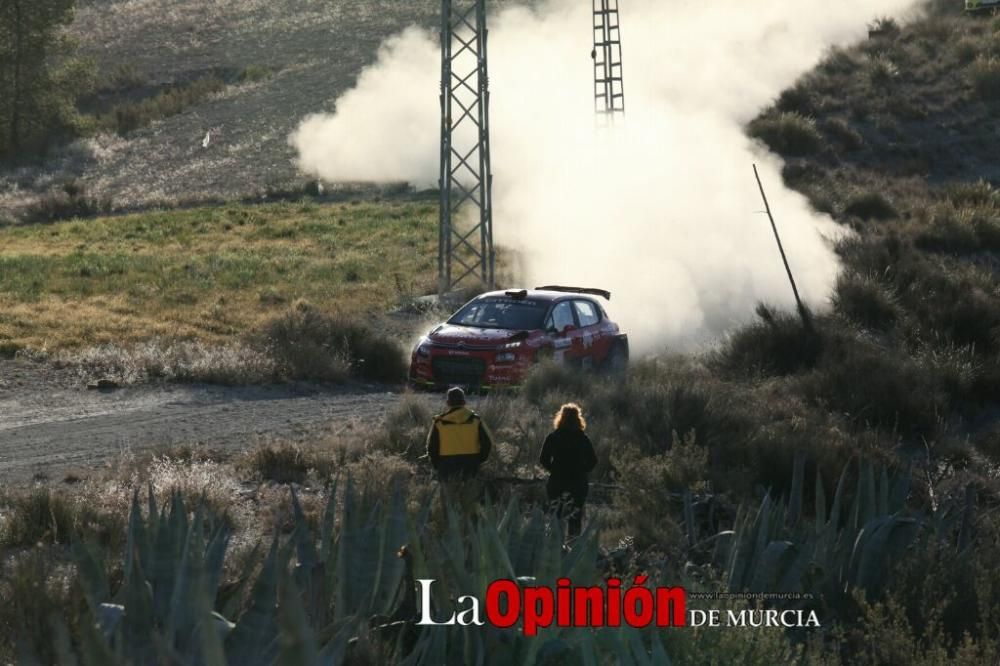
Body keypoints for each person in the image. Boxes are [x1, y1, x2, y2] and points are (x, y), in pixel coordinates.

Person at [539, 403, 598, 539]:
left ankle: (555, 545)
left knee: (556, 516)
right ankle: (573, 544)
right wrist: (582, 471)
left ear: (561, 418)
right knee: (575, 517)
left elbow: (543, 459)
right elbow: (593, 461)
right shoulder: (583, 438)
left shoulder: (553, 437)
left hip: (557, 482)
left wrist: (554, 470)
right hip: (578, 483)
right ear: (578, 419)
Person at [426, 387, 492, 480]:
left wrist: (437, 465)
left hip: (446, 465)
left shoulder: (439, 422)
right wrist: (479, 460)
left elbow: (431, 448)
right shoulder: (476, 420)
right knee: (471, 492)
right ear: (464, 403)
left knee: (448, 493)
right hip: (471, 464)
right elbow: (487, 444)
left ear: (448, 403)